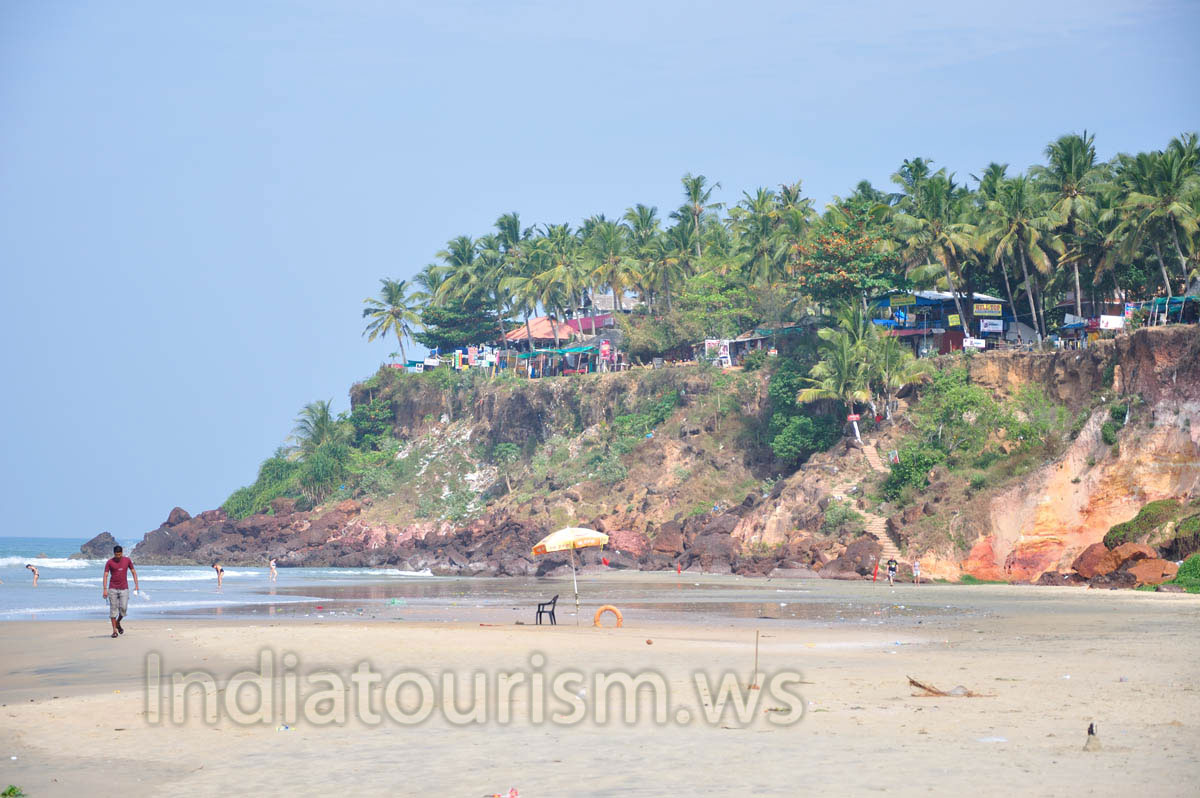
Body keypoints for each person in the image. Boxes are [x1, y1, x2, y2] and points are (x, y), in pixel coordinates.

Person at [102, 545, 138, 638]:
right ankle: (114, 631)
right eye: (116, 554)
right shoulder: (109, 562)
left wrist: (136, 585)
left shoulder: (127, 560)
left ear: (122, 553)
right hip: (112, 588)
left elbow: (133, 572)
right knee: (113, 610)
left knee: (124, 609)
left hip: (124, 588)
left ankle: (118, 622)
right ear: (114, 553)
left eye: (119, 554)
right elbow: (105, 575)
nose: (118, 556)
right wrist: (105, 589)